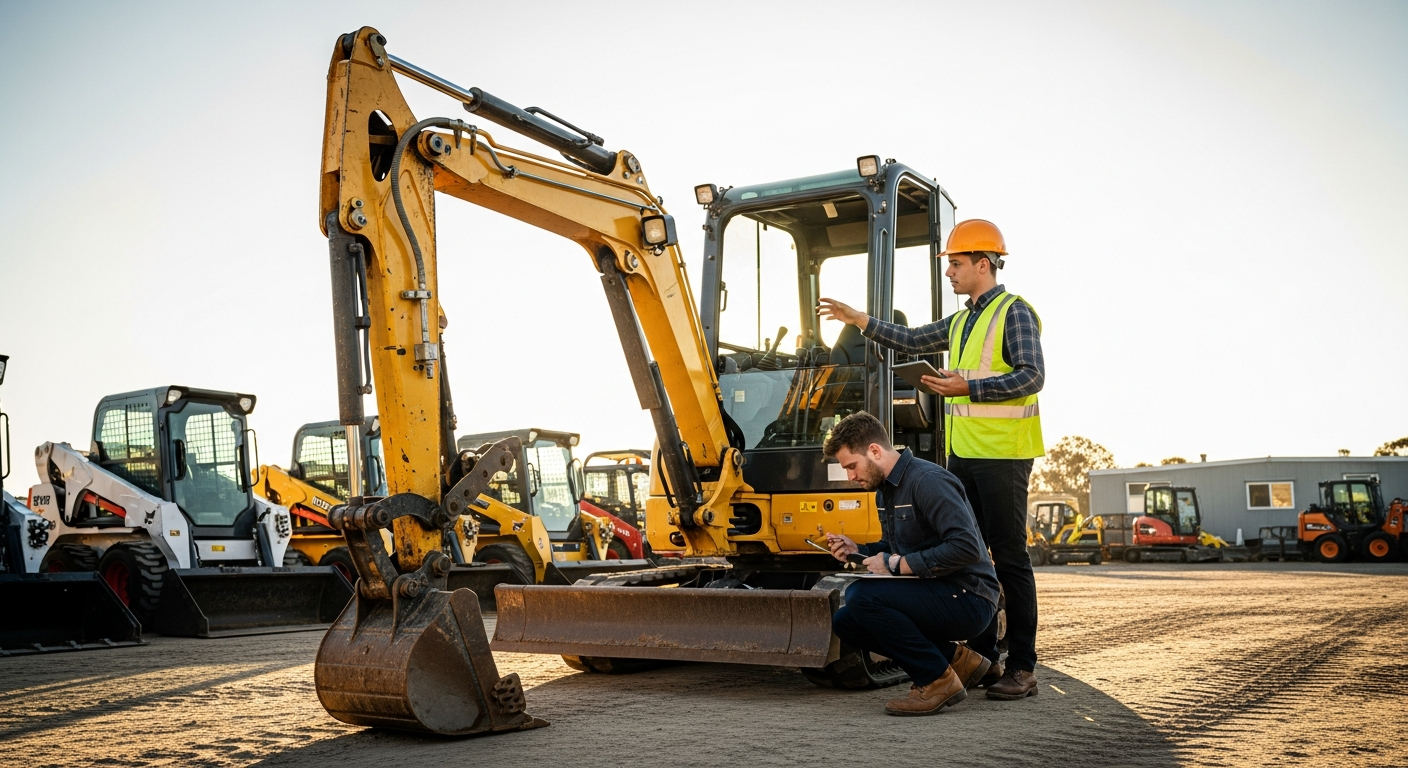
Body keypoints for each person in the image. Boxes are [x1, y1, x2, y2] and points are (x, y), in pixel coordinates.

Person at [818, 218, 1045, 700]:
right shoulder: (962, 320)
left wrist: (971, 387)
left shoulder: (1014, 313)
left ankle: (1021, 666)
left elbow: (1032, 377)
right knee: (968, 556)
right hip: (964, 452)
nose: (950, 272)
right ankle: (983, 660)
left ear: (984, 265)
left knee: (1008, 558)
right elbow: (914, 338)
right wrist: (861, 321)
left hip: (1004, 454)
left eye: (957, 264)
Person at [823, 411, 1000, 716]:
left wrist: (895, 565)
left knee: (860, 596)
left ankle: (935, 680)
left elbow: (967, 548)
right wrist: (858, 550)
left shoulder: (927, 481)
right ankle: (957, 660)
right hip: (935, 588)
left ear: (875, 451)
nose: (850, 476)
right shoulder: (887, 492)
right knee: (846, 621)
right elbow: (895, 549)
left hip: (969, 596)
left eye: (851, 466)